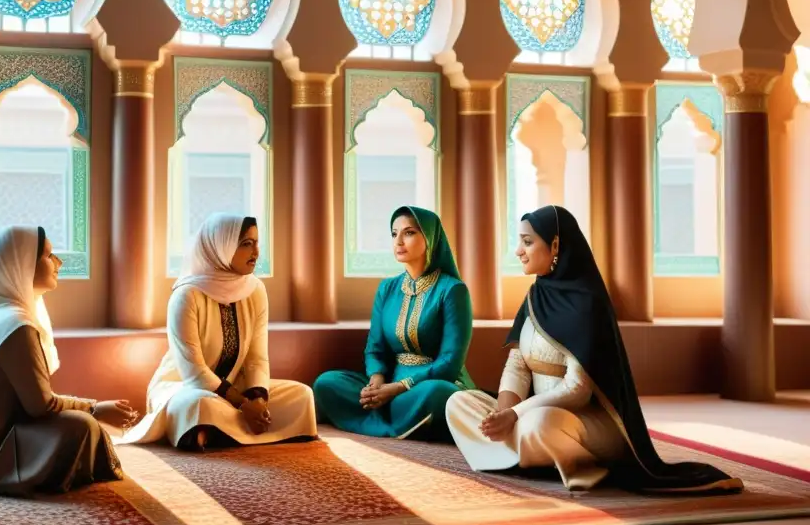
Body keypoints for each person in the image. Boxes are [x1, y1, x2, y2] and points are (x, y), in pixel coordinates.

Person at [446, 205, 743, 494]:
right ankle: (521, 450)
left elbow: (577, 391)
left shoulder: (588, 304)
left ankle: (562, 459)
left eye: (527, 242)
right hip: (528, 414)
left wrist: (516, 415)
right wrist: (503, 413)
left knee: (538, 425)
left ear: (556, 246)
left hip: (584, 421)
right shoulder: (535, 296)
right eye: (519, 242)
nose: (518, 251)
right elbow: (517, 365)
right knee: (458, 402)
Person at [0, 226, 137, 495]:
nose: (58, 262)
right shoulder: (14, 324)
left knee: (76, 423)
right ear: (21, 263)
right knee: (80, 426)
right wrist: (95, 408)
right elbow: (41, 406)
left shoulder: (0, 314)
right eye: (48, 255)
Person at [122, 213, 317, 450]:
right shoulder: (186, 296)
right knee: (201, 405)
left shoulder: (255, 290)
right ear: (221, 247)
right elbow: (194, 372)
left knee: (302, 394)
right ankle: (222, 428)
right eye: (246, 244)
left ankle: (219, 431)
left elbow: (257, 359)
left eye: (257, 243)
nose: (256, 252)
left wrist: (258, 400)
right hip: (186, 388)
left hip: (239, 388)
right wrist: (244, 404)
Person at [313, 206, 474, 441]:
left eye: (408, 233)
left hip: (428, 384)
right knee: (326, 383)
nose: (398, 241)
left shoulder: (452, 290)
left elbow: (450, 362)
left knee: (440, 395)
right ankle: (398, 419)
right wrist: (377, 381)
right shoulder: (387, 288)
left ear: (429, 238)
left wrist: (399, 387)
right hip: (389, 384)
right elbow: (375, 347)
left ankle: (387, 416)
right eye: (393, 233)